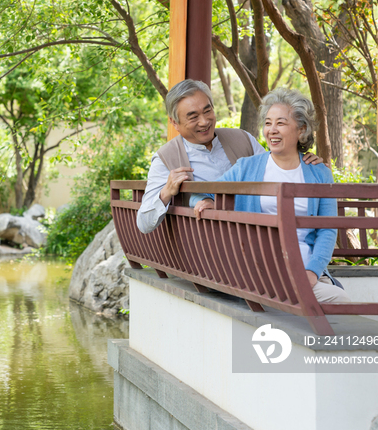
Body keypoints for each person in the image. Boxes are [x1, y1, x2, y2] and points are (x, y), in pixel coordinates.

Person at [194, 88, 349, 303]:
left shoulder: (319, 172)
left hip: (306, 273)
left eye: (281, 123)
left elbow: (327, 229)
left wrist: (313, 273)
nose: (272, 130)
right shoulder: (247, 167)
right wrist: (206, 200)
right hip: (260, 274)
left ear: (301, 129)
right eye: (268, 123)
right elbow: (205, 192)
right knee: (341, 303)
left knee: (338, 303)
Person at [136, 79, 322, 234]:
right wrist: (166, 192)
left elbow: (275, 173)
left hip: (258, 236)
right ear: (174, 123)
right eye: (193, 117)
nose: (204, 121)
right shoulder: (165, 159)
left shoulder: (242, 139)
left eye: (208, 111)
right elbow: (144, 223)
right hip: (209, 250)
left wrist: (304, 164)